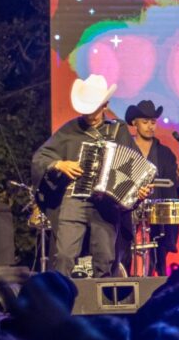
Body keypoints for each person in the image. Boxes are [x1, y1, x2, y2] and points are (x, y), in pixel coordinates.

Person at [31, 75, 149, 278]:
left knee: (105, 259)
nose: (90, 115)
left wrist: (138, 191)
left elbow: (134, 167)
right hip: (74, 200)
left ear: (105, 105)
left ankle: (103, 306)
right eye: (86, 109)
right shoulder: (70, 130)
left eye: (94, 109)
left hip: (106, 204)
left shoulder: (118, 131)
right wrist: (59, 164)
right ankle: (61, 303)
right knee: (65, 256)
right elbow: (40, 157)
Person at [124, 100, 179, 275]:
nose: (149, 126)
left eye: (152, 122)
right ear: (134, 124)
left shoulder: (165, 153)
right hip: (130, 212)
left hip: (157, 215)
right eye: (145, 122)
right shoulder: (125, 149)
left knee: (159, 260)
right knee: (127, 257)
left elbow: (173, 189)